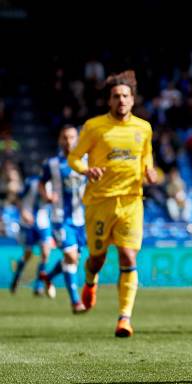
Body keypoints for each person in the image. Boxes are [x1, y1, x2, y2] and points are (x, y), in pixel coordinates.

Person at [68, 70, 157, 337]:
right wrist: (85, 170)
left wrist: (149, 171)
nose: (121, 100)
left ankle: (124, 318)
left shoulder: (144, 128)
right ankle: (90, 281)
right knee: (96, 258)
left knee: (128, 256)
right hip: (99, 202)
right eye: (116, 96)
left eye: (125, 96)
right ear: (109, 100)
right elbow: (74, 157)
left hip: (131, 201)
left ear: (132, 99)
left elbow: (147, 158)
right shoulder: (94, 127)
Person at [38, 125, 87, 314]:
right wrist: (47, 196)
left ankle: (48, 276)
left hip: (81, 220)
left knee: (73, 259)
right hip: (60, 218)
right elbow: (42, 183)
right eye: (65, 138)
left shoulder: (85, 161)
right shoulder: (52, 163)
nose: (69, 141)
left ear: (78, 139)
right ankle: (76, 302)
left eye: (72, 137)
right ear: (60, 140)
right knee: (71, 256)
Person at [10, 175, 55, 297]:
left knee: (46, 253)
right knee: (28, 254)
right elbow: (18, 198)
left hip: (43, 222)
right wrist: (23, 212)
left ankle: (38, 286)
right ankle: (16, 277)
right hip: (28, 222)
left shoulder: (53, 183)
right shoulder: (31, 182)